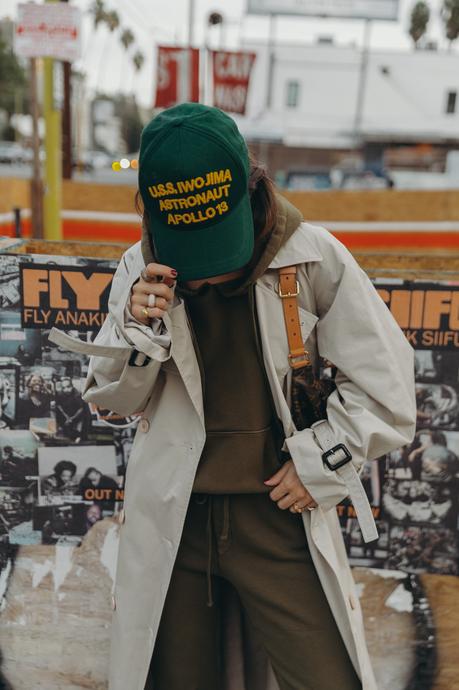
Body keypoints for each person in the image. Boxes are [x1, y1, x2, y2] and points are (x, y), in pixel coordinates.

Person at [48, 103, 416, 690]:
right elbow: (116, 399)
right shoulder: (139, 266)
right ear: (150, 213)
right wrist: (138, 330)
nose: (210, 272)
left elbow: (387, 387)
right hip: (176, 520)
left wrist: (320, 462)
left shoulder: (312, 256)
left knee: (328, 677)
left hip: (279, 516)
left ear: (253, 192)